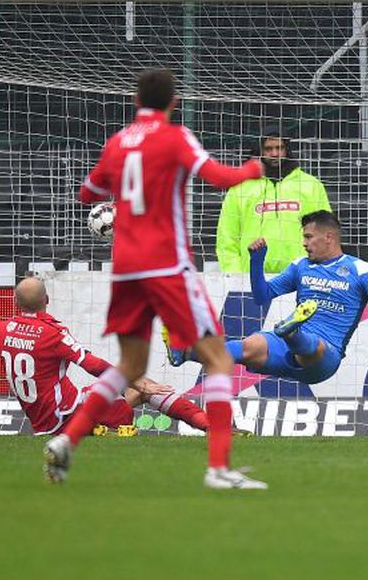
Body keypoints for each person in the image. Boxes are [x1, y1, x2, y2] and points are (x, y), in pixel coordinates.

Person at [48, 68, 266, 490]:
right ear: (173, 102)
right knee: (219, 359)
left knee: (130, 365)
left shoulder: (117, 142)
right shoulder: (175, 136)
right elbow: (218, 177)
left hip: (127, 270)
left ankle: (68, 439)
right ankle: (219, 469)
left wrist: (115, 202)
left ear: (135, 100)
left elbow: (87, 194)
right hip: (167, 267)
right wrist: (253, 168)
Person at [168, 211, 368, 387]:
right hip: (283, 349)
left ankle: (293, 332)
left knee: (314, 347)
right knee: (249, 345)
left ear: (329, 237)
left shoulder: (362, 270)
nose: (304, 243)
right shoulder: (301, 266)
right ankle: (184, 352)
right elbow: (262, 296)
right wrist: (256, 262)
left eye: (308, 237)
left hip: (325, 357)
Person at [0, 277, 207, 436]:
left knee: (135, 388)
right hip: (67, 414)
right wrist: (139, 383)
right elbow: (94, 365)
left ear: (16, 302)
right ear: (47, 299)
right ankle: (209, 424)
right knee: (145, 388)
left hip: (42, 422)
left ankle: (100, 426)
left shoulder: (0, 331)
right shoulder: (52, 333)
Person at [215, 127, 331, 274]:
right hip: (253, 279)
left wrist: (320, 273)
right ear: (261, 151)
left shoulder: (311, 186)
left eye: (279, 148)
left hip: (302, 279)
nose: (275, 153)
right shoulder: (241, 188)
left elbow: (326, 233)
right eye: (268, 149)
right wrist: (236, 277)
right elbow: (227, 238)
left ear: (287, 149)